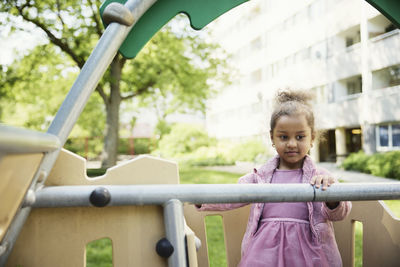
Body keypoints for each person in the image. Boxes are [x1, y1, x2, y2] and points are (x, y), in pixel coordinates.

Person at [196, 89, 352, 267]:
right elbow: (233, 195)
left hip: (308, 254)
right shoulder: (260, 177)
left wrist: (332, 196)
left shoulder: (321, 177)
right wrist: (202, 197)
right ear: (272, 137)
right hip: (264, 254)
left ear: (312, 138)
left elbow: (340, 213)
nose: (292, 143)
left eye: (300, 137)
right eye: (283, 137)